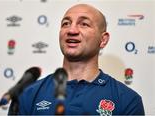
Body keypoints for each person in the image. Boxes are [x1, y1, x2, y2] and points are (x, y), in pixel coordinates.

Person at [8, 3, 145, 115]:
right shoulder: (28, 94)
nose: (71, 30)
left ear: (103, 40)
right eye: (66, 23)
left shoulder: (127, 100)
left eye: (84, 24)